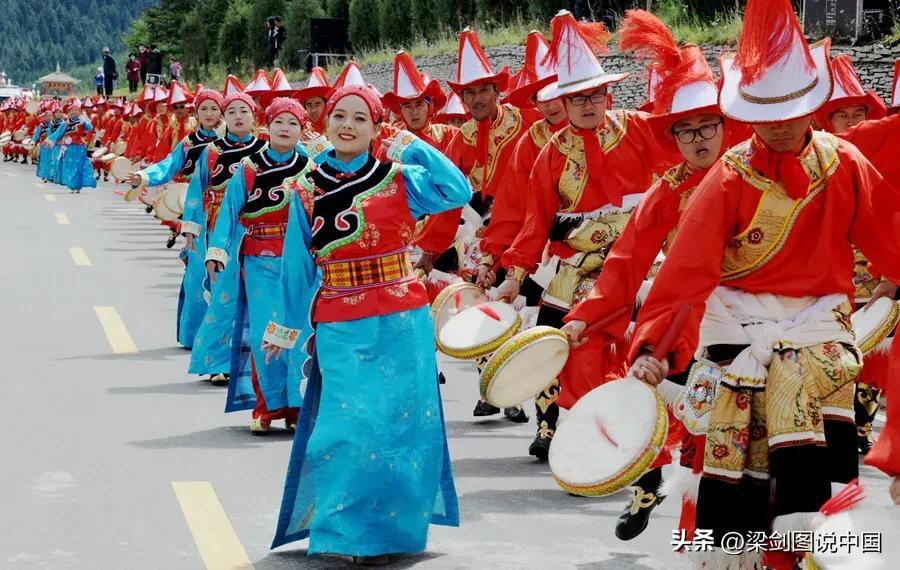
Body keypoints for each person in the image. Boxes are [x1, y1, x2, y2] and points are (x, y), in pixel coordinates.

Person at [627, 1, 900, 567]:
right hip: (738, 343)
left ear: (812, 106)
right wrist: (654, 347)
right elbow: (683, 275)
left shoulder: (845, 164)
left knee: (812, 498)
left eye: (792, 111)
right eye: (765, 114)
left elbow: (892, 238)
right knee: (731, 482)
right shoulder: (727, 179)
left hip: (819, 345)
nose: (779, 124)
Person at [262, 84, 468, 565]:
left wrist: (410, 144)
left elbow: (457, 190)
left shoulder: (400, 178)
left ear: (377, 129)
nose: (347, 125)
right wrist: (284, 329)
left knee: (399, 428)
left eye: (360, 118)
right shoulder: (306, 188)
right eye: (339, 116)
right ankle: (343, 532)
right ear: (325, 123)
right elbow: (297, 267)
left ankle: (390, 534)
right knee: (347, 426)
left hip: (402, 320)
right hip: (340, 319)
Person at [497, 10, 681, 454]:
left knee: (655, 349)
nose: (587, 104)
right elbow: (535, 223)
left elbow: (686, 162)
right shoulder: (551, 154)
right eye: (578, 97)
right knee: (574, 351)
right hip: (579, 269)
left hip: (644, 260)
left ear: (606, 94)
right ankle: (585, 443)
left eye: (595, 94)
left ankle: (651, 444)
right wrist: (514, 275)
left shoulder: (637, 128)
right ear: (563, 100)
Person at [205, 98, 313, 433]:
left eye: (292, 123)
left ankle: (298, 406)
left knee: (299, 329)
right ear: (267, 125)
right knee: (269, 330)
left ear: (302, 129)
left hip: (303, 263)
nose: (285, 128)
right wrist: (217, 251)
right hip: (260, 260)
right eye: (279, 121)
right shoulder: (249, 168)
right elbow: (228, 213)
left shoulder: (312, 167)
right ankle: (267, 406)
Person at [182, 92, 266, 386]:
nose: (239, 117)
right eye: (232, 112)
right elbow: (197, 188)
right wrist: (191, 226)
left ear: (254, 116)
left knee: (260, 299)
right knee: (223, 297)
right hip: (222, 230)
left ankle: (261, 366)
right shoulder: (213, 151)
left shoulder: (268, 150)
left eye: (244, 111)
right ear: (224, 118)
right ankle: (219, 361)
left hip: (260, 231)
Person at [47, 98, 97, 194]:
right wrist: (49, 140)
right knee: (70, 166)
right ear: (70, 112)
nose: (75, 111)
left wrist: (84, 121)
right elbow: (58, 133)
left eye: (77, 110)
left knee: (80, 166)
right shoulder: (66, 123)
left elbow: (90, 128)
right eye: (73, 110)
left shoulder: (82, 121)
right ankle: (72, 185)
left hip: (80, 147)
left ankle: (78, 185)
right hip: (69, 147)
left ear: (79, 111)